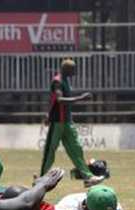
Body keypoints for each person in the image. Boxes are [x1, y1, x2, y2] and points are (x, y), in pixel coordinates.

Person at [40, 59, 104, 188]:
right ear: (66, 69)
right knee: (50, 151)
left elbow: (52, 100)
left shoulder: (66, 81)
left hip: (67, 122)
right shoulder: (57, 81)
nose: (75, 71)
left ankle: (88, 177)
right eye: (73, 69)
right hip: (57, 121)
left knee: (76, 149)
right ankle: (41, 179)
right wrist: (81, 98)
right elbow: (59, 99)